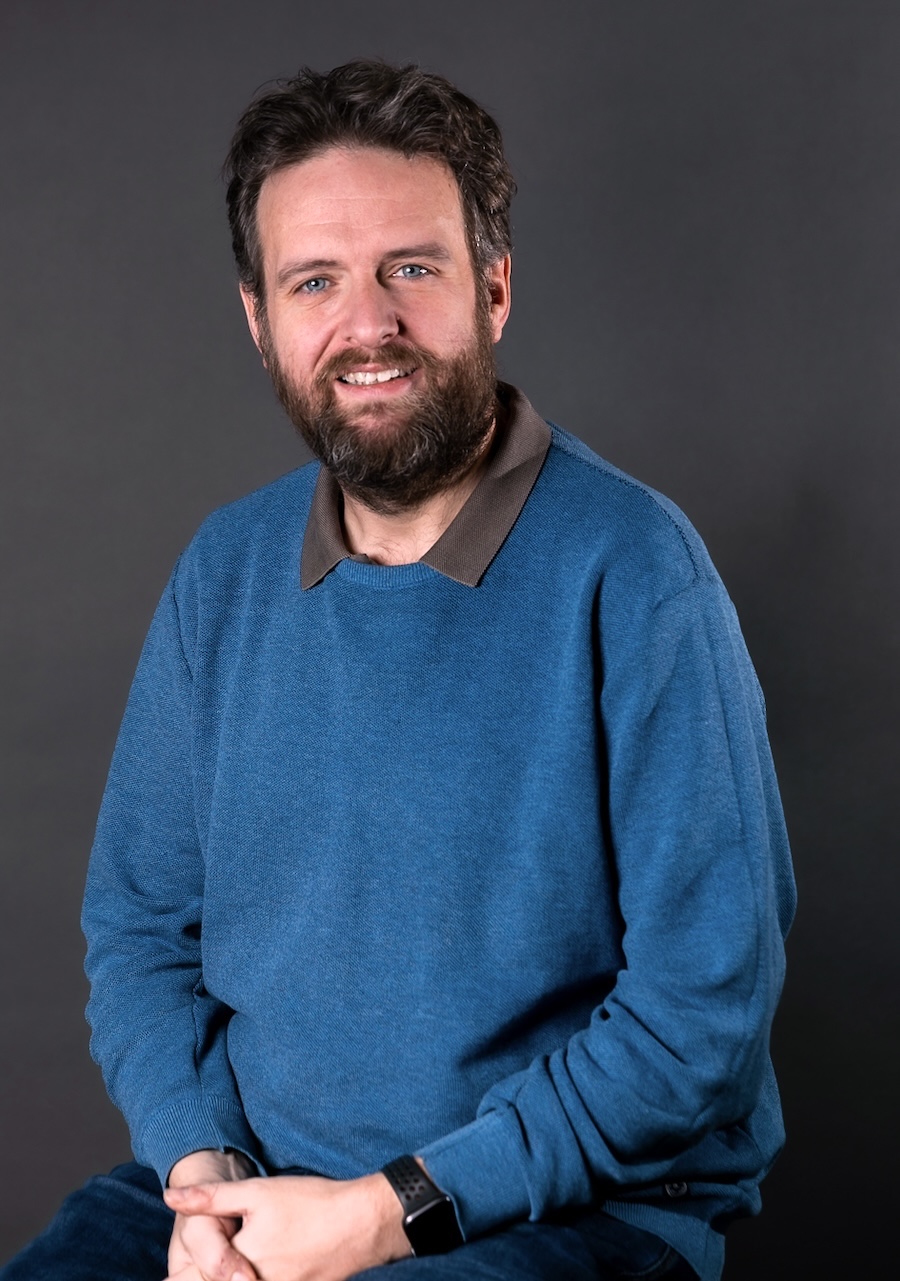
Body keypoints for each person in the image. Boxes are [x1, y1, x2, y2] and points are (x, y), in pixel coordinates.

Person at [1, 59, 795, 1281]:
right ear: (261, 318)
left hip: (557, 1213)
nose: (366, 324)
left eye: (410, 270)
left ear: (494, 286)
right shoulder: (225, 570)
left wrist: (387, 1212)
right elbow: (142, 930)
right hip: (260, 1186)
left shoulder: (637, 572)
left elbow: (704, 1015)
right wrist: (205, 1182)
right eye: (315, 280)